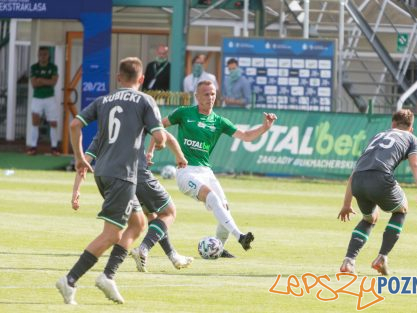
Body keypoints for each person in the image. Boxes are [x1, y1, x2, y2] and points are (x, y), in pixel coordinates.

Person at [56, 57, 167, 305]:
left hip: (103, 172)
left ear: (118, 78)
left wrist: (78, 157)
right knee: (111, 235)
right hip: (123, 174)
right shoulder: (145, 100)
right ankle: (70, 279)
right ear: (141, 79)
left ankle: (108, 276)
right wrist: (156, 142)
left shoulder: (104, 100)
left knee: (138, 224)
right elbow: (159, 137)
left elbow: (75, 125)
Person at [159, 80, 276, 258]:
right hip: (186, 171)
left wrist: (265, 128)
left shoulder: (219, 122)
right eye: (206, 94)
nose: (210, 97)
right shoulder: (183, 113)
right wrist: (159, 146)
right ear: (196, 96)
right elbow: (159, 126)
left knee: (224, 208)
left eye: (213, 94)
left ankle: (218, 247)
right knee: (212, 197)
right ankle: (240, 237)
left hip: (206, 171)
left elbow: (245, 136)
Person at [76, 130, 193, 273]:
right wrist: (180, 156)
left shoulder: (105, 127)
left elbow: (85, 160)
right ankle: (141, 251)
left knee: (150, 216)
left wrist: (76, 190)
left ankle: (173, 256)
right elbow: (163, 135)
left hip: (118, 179)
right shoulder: (138, 113)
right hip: (139, 174)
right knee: (169, 212)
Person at [337, 109, 417, 275]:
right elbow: (416, 164)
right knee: (402, 209)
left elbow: (355, 170)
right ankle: (382, 258)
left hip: (358, 179)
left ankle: (348, 262)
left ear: (392, 124)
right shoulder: (412, 139)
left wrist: (346, 204)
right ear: (411, 128)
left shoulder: (378, 136)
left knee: (370, 218)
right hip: (380, 178)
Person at [27, 46, 60, 156]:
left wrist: (41, 80)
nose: (43, 57)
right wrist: (47, 81)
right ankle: (33, 147)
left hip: (50, 98)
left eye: (45, 54)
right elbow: (34, 84)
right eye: (41, 54)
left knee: (53, 123)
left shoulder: (53, 67)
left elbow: (53, 82)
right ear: (38, 55)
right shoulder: (34, 67)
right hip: (37, 98)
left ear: (48, 55)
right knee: (35, 122)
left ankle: (54, 148)